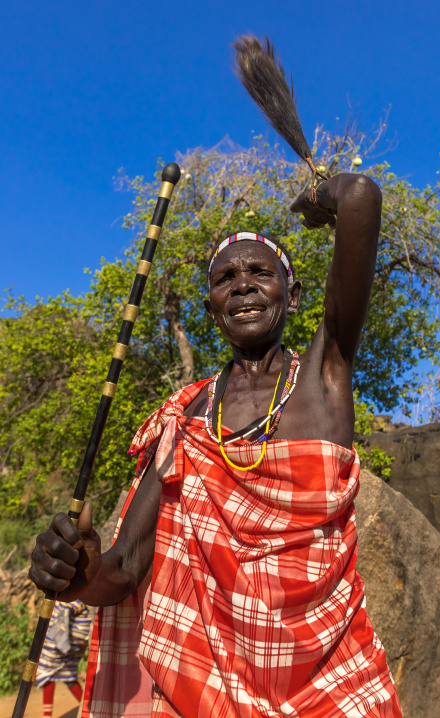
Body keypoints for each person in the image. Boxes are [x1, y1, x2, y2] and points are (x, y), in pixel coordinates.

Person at [29, 173, 402, 717]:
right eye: (226, 278)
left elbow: (363, 196)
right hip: (207, 694)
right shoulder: (183, 421)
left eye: (260, 273)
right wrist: (78, 573)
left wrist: (316, 196)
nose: (244, 284)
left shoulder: (323, 380)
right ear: (211, 309)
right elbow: (125, 568)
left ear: (293, 296)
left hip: (334, 687)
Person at [35, 599, 92, 718]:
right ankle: (89, 710)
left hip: (64, 638)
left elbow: (69, 608)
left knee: (47, 672)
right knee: (67, 675)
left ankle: (47, 716)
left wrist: (60, 638)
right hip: (72, 638)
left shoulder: (71, 596)